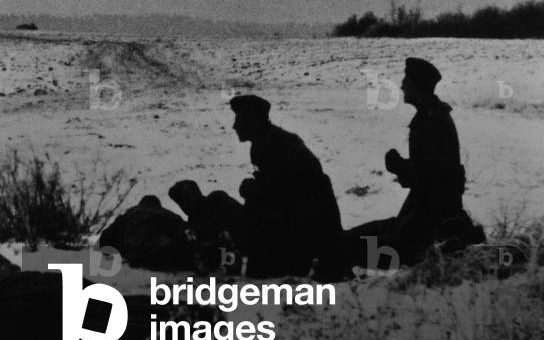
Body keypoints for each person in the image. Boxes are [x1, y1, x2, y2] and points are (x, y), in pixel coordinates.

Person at [170, 95, 343, 278]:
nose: (235, 126)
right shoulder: (270, 141)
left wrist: (251, 190)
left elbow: (284, 196)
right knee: (219, 203)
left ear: (253, 121)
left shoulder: (273, 145)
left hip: (303, 232)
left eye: (239, 120)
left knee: (218, 201)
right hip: (302, 226)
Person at [344, 57, 483, 268]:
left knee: (352, 248)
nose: (402, 86)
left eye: (406, 81)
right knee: (349, 240)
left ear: (417, 86)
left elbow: (430, 178)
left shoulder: (432, 121)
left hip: (426, 227)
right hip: (420, 218)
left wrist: (398, 165)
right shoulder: (431, 116)